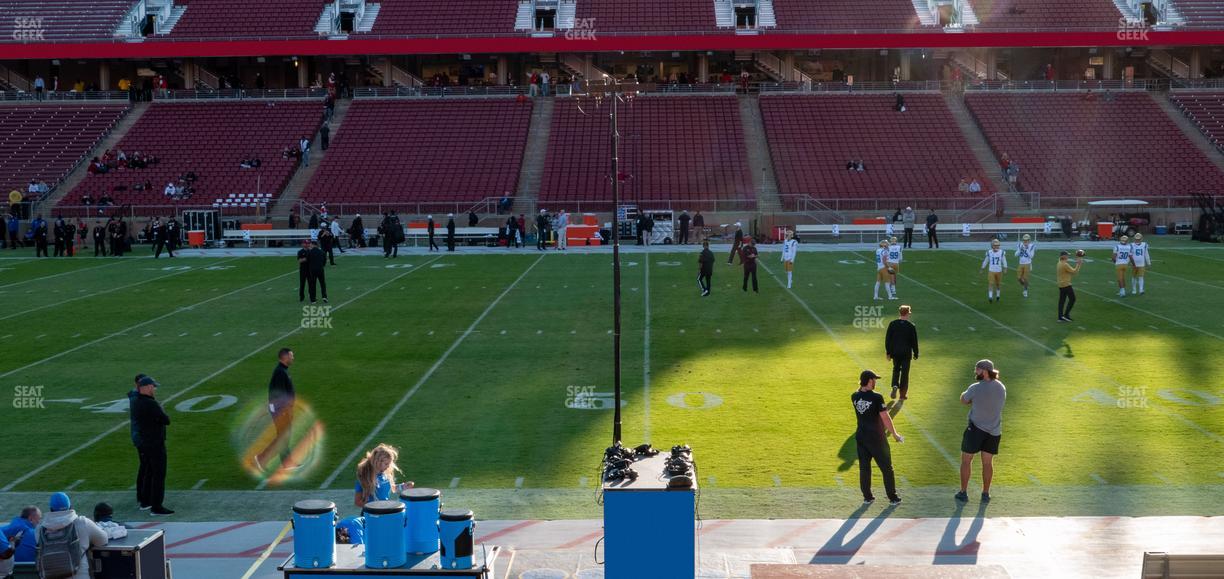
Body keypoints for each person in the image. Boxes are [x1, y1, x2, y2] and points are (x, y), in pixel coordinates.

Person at [337, 444, 414, 545]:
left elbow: (391, 488)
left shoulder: (385, 473)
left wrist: (403, 486)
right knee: (375, 543)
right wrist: (373, 507)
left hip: (385, 512)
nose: (388, 466)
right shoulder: (364, 478)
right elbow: (357, 501)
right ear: (378, 462)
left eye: (389, 464)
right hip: (371, 516)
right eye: (386, 464)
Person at [955, 360, 1007, 504]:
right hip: (995, 431)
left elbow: (963, 400)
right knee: (987, 463)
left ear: (984, 371)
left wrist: (973, 400)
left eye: (977, 370)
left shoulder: (975, 388)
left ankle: (963, 492)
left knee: (966, 461)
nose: (975, 372)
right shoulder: (1001, 387)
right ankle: (985, 493)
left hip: (975, 430)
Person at [852, 370, 903, 506]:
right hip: (876, 438)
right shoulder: (877, 397)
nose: (875, 382)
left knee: (864, 468)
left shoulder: (854, 396)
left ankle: (867, 497)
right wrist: (895, 434)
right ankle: (892, 497)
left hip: (861, 437)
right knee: (887, 468)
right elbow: (885, 417)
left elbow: (861, 393)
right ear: (869, 381)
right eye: (874, 380)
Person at [34, 493, 108, 579]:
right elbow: (103, 540)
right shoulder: (82, 522)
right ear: (71, 507)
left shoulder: (39, 529)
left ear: (51, 509)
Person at [131, 377, 173, 515]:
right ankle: (157, 506)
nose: (154, 389)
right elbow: (166, 420)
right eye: (152, 386)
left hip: (144, 442)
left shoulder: (136, 401)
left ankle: (145, 501)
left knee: (148, 472)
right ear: (147, 387)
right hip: (155, 443)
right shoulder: (150, 403)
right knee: (158, 474)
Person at [256, 348, 299, 472]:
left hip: (281, 409)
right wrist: (287, 410)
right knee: (283, 436)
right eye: (291, 356)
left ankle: (286, 462)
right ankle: (262, 458)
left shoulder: (282, 370)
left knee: (284, 436)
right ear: (284, 357)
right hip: (281, 409)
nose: (293, 358)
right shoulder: (280, 372)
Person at [884, 305, 919, 401]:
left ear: (900, 313)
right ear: (907, 313)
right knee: (905, 373)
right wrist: (916, 353)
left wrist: (888, 352)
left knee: (896, 369)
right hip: (906, 353)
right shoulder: (911, 326)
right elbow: (914, 341)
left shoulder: (893, 324)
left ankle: (895, 385)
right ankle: (902, 394)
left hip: (895, 352)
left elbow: (888, 339)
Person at [1057, 250, 1083, 322]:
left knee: (1061, 301)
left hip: (1061, 284)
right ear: (1064, 256)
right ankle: (1066, 315)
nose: (1068, 256)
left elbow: (1068, 271)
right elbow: (1074, 272)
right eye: (1067, 255)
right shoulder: (1065, 264)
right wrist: (1079, 264)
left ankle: (1060, 317)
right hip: (1066, 284)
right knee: (1072, 299)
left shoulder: (1059, 262)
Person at [980, 239, 1007, 303]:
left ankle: (998, 296)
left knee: (998, 284)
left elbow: (1004, 261)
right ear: (992, 246)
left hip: (999, 270)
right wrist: (982, 268)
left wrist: (1005, 268)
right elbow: (986, 261)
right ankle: (990, 297)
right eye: (995, 246)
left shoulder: (1001, 252)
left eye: (997, 245)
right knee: (991, 283)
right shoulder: (989, 252)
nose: (996, 247)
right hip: (991, 270)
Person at [1015, 234, 1036, 298]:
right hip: (1021, 263)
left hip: (1028, 263)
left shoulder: (1032, 246)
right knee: (1019, 278)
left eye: (1026, 240)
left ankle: (1025, 290)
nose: (1025, 241)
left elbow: (1031, 256)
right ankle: (1026, 285)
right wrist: (1020, 250)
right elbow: (1015, 254)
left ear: (1029, 240)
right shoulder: (1020, 245)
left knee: (1025, 278)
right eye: (1024, 240)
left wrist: (1026, 249)